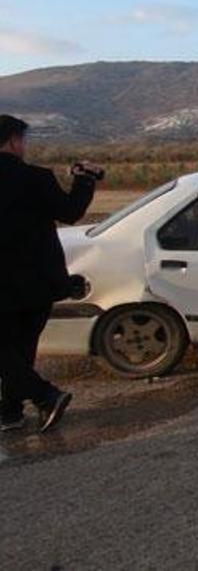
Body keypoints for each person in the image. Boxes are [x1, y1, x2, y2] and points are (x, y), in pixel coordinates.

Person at [1, 114, 98, 433]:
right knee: (22, 347)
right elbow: (71, 212)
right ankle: (11, 411)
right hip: (39, 282)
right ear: (15, 141)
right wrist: (84, 181)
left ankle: (44, 396)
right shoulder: (37, 178)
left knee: (10, 351)